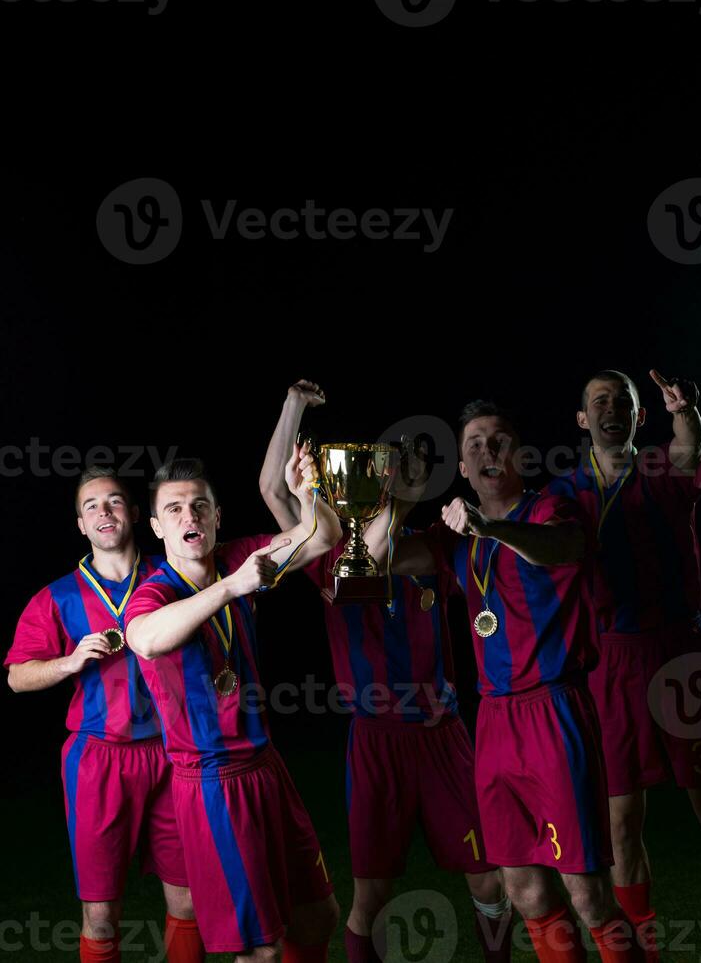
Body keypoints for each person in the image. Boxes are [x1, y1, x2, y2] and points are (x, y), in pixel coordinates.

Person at [259, 380, 513, 963]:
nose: (404, 473)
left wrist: (407, 499)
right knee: (370, 896)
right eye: (393, 465)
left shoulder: (432, 544)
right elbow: (277, 492)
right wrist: (293, 405)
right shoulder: (323, 549)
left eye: (416, 465)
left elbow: (389, 556)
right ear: (370, 474)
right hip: (376, 741)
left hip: (444, 737)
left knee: (489, 882)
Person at [385, 400, 643, 963]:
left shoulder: (551, 505)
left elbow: (562, 548)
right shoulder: (453, 539)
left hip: (555, 710)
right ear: (461, 467)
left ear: (519, 453)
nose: (487, 451)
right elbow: (382, 557)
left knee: (590, 896)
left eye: (498, 439)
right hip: (494, 722)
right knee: (524, 892)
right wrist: (399, 495)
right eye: (474, 444)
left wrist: (492, 527)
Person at [124, 450, 342, 962]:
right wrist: (233, 587)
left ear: (217, 517)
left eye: (200, 505)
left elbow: (325, 537)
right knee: (258, 949)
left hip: (267, 767)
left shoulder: (238, 557)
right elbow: (145, 639)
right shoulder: (153, 594)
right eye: (174, 510)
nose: (189, 517)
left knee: (317, 915)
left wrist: (307, 490)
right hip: (213, 782)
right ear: (156, 527)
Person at [549, 368, 701, 960]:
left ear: (639, 415)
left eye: (622, 401)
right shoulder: (565, 492)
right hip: (612, 662)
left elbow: (689, 448)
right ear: (582, 420)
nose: (611, 409)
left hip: (681, 654)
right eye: (598, 401)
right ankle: (645, 954)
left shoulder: (661, 467)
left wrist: (686, 411)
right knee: (622, 822)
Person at [5, 466, 203, 963]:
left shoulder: (173, 576)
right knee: (100, 915)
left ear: (136, 514)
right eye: (92, 506)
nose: (104, 512)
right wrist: (69, 661)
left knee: (189, 900)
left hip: (173, 754)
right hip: (99, 760)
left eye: (114, 501)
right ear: (80, 524)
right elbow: (16, 675)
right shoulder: (57, 596)